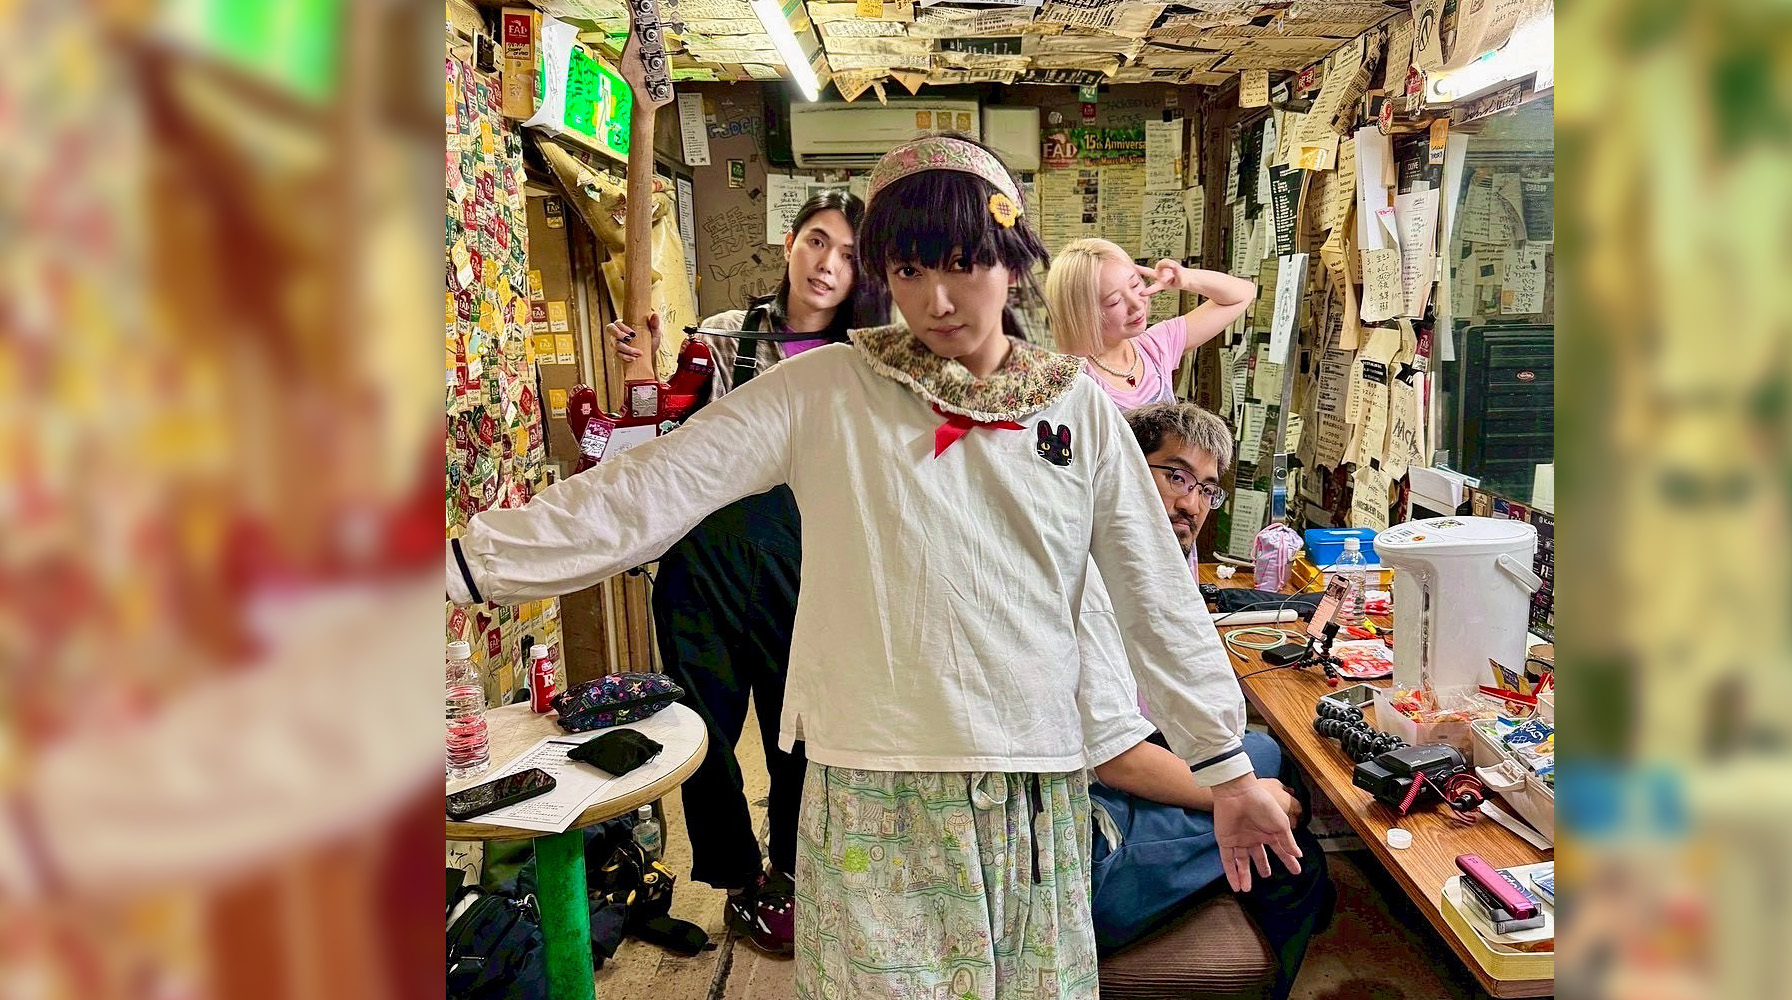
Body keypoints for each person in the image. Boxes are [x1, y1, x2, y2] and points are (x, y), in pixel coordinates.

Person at [446, 134, 1300, 999]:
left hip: (1031, 788)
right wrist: (456, 565)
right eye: (908, 270)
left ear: (1011, 258)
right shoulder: (827, 391)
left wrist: (1225, 768)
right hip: (872, 787)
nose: (936, 299)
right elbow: (646, 491)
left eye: (962, 264)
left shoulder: (1076, 406)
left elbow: (1154, 594)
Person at [599, 190, 876, 955]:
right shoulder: (723, 338)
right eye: (817, 241)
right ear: (789, 243)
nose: (828, 264)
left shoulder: (862, 359)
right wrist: (642, 371)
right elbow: (662, 428)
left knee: (803, 731)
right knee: (704, 733)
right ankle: (741, 883)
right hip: (704, 563)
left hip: (807, 566)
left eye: (848, 255)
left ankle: (794, 869)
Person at [1084, 401, 1331, 999]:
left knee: (1266, 755)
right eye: (1175, 476)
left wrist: (1247, 783)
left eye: (1206, 489)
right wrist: (1248, 798)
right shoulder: (1089, 579)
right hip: (1091, 843)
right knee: (1298, 857)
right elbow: (1116, 759)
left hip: (1107, 776)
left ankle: (1251, 872)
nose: (1191, 504)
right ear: (1123, 470)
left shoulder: (1145, 569)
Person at [1047, 238, 1257, 408]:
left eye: (1135, 284)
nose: (1136, 304)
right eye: (1115, 301)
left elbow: (1243, 294)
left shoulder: (1154, 346)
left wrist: (1185, 278)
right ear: (1081, 314)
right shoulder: (1070, 380)